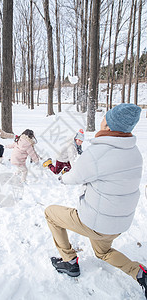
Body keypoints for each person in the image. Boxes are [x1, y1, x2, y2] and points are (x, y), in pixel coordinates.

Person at [45, 103, 147, 298]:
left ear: (108, 126)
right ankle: (140, 273)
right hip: (118, 225)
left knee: (50, 213)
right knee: (103, 252)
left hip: (96, 223)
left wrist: (61, 177)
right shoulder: (135, 153)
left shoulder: (97, 153)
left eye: (104, 118)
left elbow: (73, 177)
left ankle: (69, 262)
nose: (101, 120)